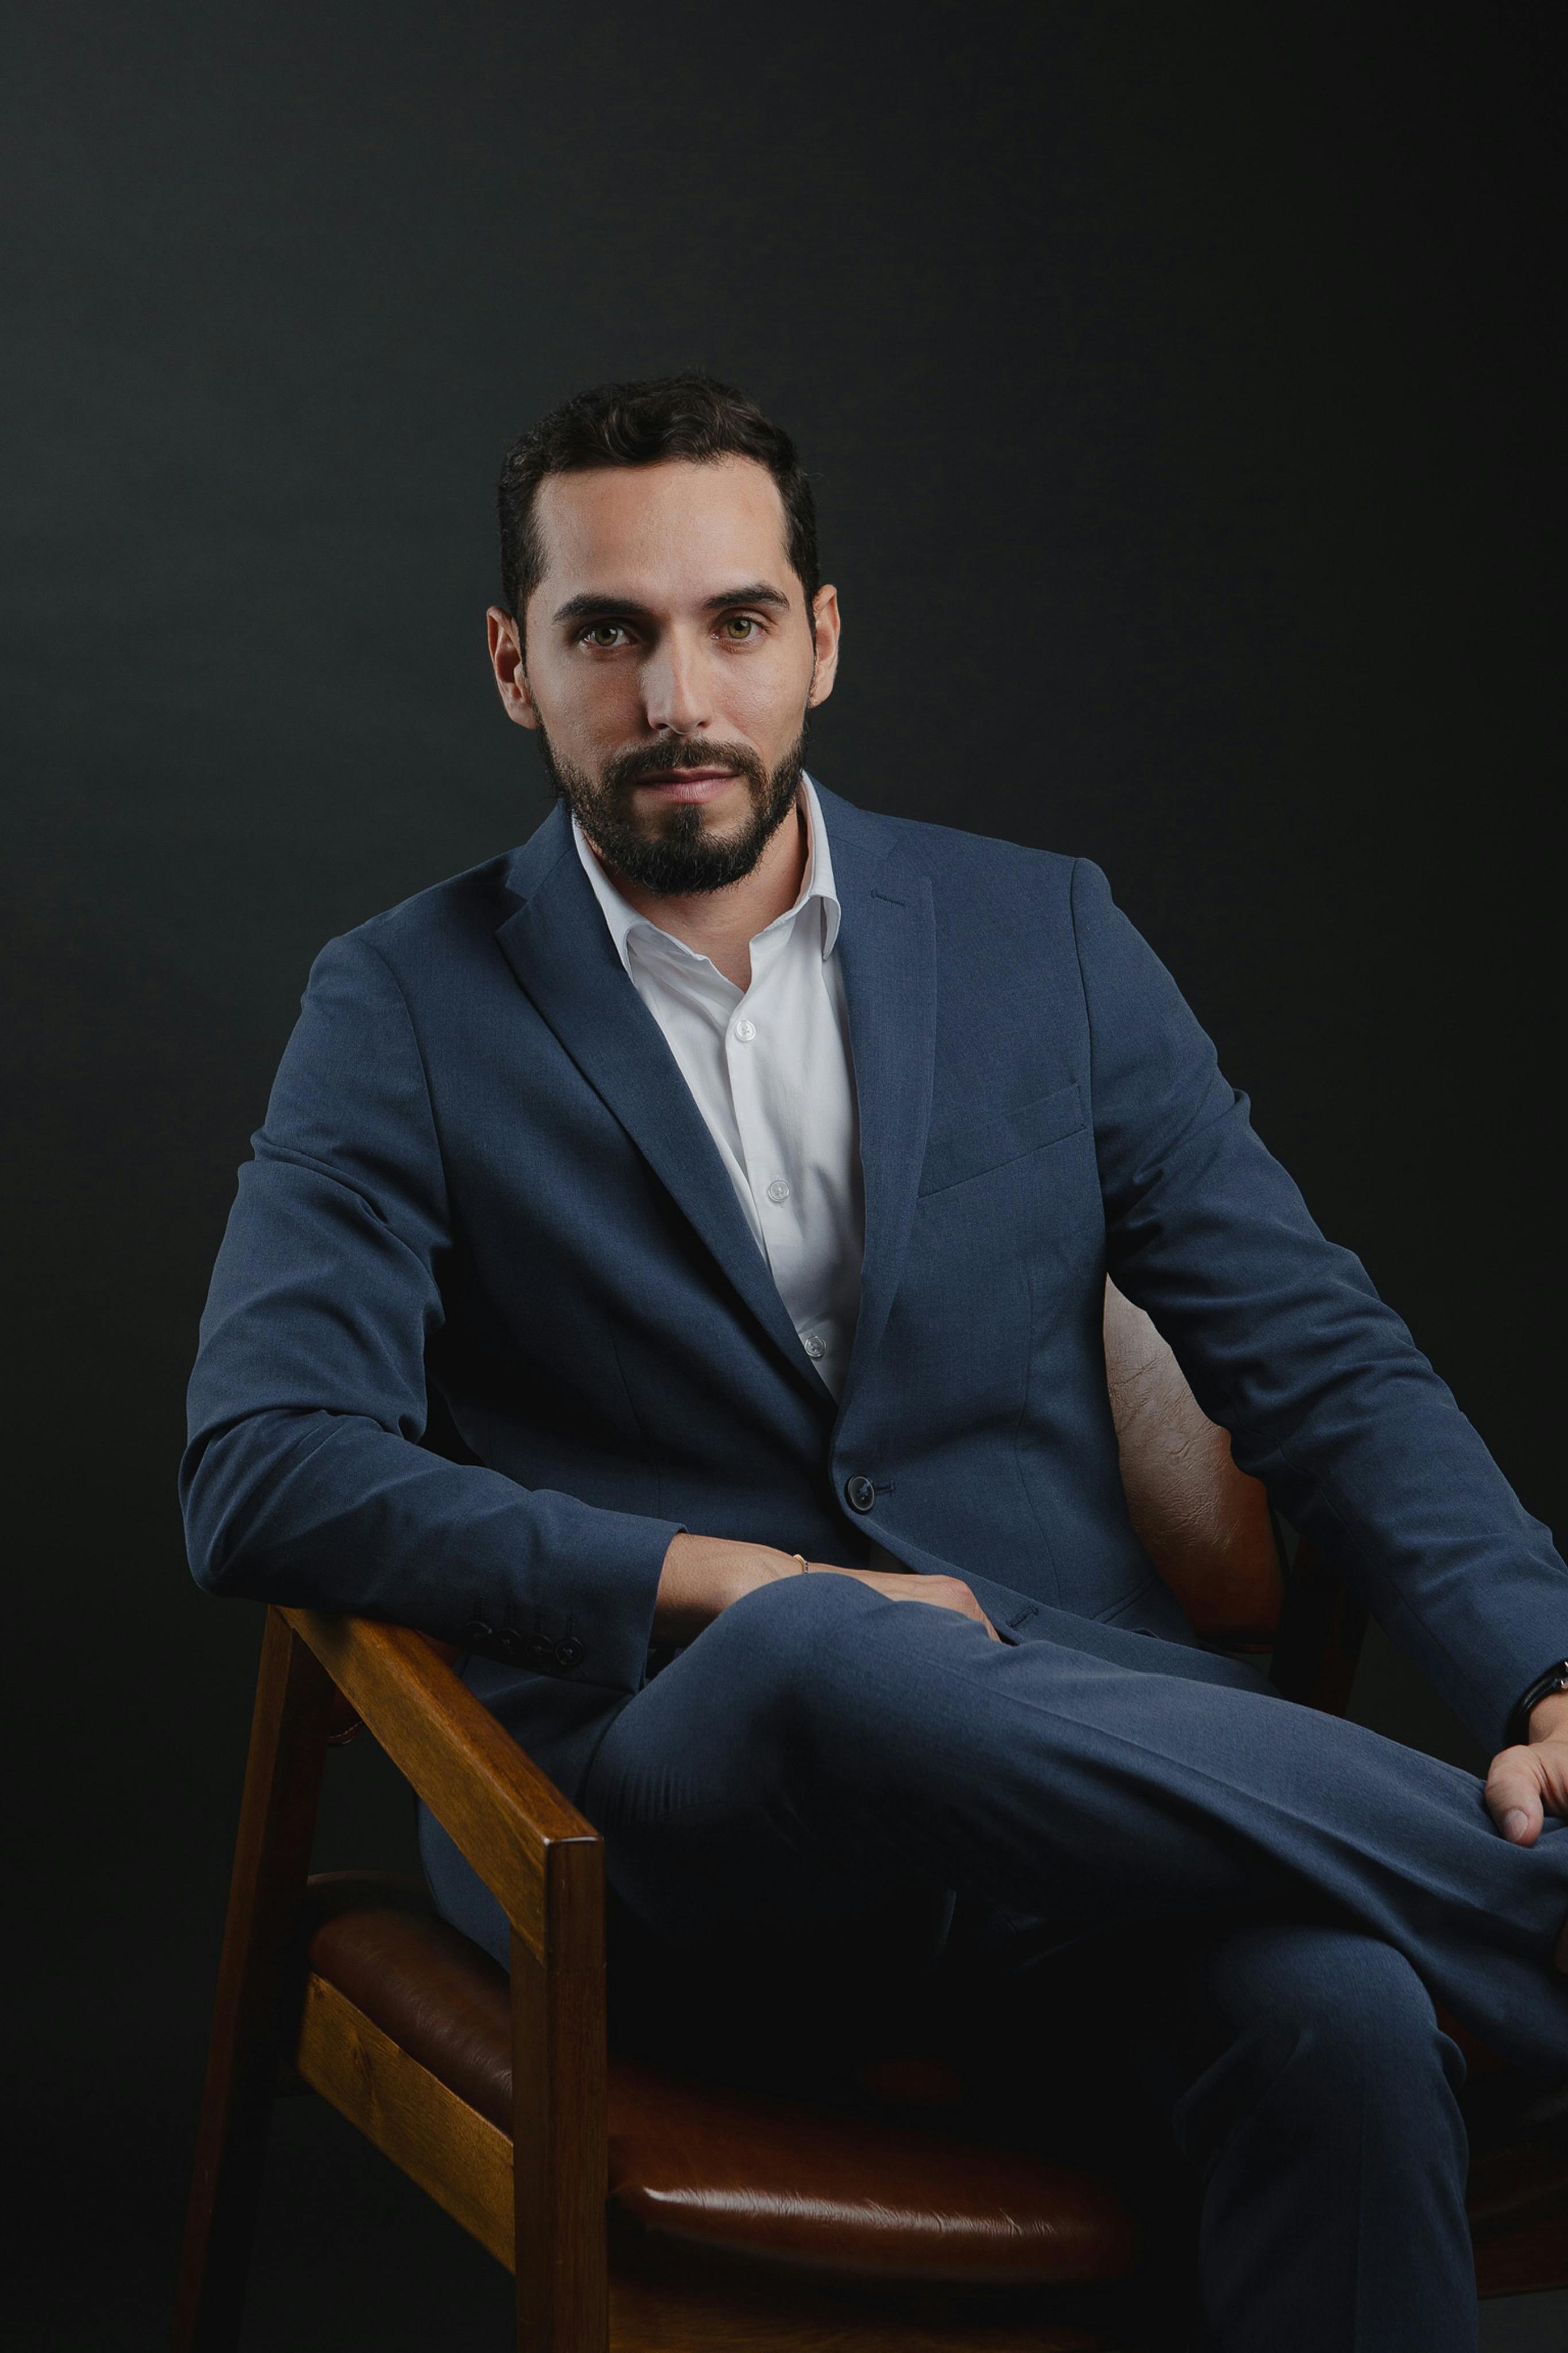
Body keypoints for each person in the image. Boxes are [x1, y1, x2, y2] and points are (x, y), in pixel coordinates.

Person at [183, 373, 1568, 2352]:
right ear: (516, 666)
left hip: (1076, 1827)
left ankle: (1488, 1922)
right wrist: (729, 1589)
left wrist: (1547, 1663)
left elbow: (1316, 1356)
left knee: (1339, 2019)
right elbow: (260, 1464)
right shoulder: (400, 1002)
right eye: (609, 632)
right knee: (826, 1643)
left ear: (819, 640)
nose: (680, 694)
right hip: (669, 1841)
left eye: (735, 622)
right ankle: (1530, 1914)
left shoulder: (1044, 938)